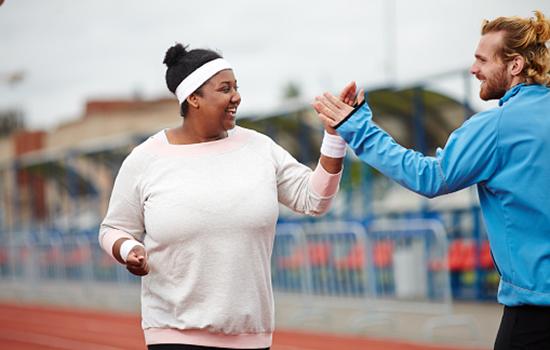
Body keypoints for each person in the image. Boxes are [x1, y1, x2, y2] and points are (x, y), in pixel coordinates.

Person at [312, 10, 550, 350]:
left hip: (535, 315)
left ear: (514, 66)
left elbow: (430, 177)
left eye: (482, 59)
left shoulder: (497, 126)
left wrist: (358, 128)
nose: (473, 68)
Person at [98, 43, 347, 350]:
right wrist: (128, 249)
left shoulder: (259, 148)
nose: (236, 97)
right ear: (193, 98)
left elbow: (315, 199)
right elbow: (113, 229)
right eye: (225, 88)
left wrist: (334, 138)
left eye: (237, 87)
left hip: (250, 335)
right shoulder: (146, 159)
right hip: (174, 332)